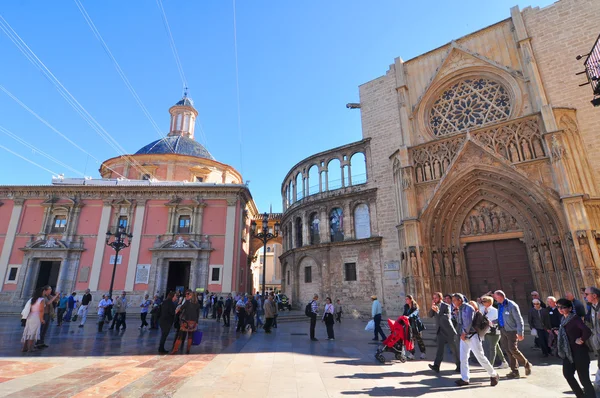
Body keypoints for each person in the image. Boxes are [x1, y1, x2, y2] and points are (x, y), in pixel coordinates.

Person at [453, 294, 499, 387]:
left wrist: (464, 333)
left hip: (472, 335)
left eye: (454, 300)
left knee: (480, 356)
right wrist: (456, 314)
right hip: (464, 336)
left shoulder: (468, 308)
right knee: (463, 358)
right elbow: (460, 322)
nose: (453, 302)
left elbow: (468, 322)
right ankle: (465, 378)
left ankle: (493, 374)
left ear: (460, 300)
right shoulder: (460, 309)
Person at [556, 298, 595, 398]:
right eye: (558, 307)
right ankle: (580, 396)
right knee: (568, 374)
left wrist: (581, 339)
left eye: (563, 307)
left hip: (579, 352)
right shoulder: (563, 319)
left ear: (569, 308)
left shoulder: (575, 319)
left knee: (584, 379)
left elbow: (587, 331)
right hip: (568, 353)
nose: (560, 309)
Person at [494, 290, 531, 379]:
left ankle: (527, 364)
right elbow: (501, 317)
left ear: (500, 296)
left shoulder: (512, 305)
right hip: (503, 330)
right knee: (507, 349)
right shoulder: (499, 305)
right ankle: (514, 371)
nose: (495, 299)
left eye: (495, 297)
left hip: (511, 331)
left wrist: (520, 332)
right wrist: (495, 321)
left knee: (513, 349)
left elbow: (519, 320)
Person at [428, 292, 460, 373]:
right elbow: (430, 315)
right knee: (440, 349)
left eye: (436, 298)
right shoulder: (434, 306)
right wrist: (432, 308)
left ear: (440, 298)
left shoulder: (446, 306)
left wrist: (438, 311)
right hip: (440, 330)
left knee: (454, 349)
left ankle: (459, 366)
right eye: (433, 298)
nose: (434, 299)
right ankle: (436, 366)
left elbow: (447, 317)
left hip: (448, 330)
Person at [481, 295, 509, 368]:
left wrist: (492, 322)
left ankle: (490, 365)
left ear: (489, 302)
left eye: (484, 301)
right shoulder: (482, 309)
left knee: (492, 347)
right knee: (496, 346)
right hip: (486, 331)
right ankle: (504, 362)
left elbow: (498, 320)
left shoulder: (495, 311)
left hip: (494, 331)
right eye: (482, 301)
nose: (483, 303)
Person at [170, 289, 201, 354]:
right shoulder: (197, 304)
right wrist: (197, 322)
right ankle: (188, 350)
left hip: (185, 321)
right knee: (190, 336)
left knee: (180, 336)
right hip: (193, 322)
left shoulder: (187, 302)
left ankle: (175, 349)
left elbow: (181, 308)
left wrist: (177, 311)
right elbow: (198, 314)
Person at [22, 287, 46, 352]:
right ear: (41, 292)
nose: (44, 293)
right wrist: (42, 319)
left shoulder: (32, 299)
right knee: (33, 332)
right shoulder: (41, 300)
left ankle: (24, 347)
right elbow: (41, 310)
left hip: (30, 316)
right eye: (44, 291)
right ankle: (30, 348)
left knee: (27, 331)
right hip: (36, 317)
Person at [403, 295, 426, 360]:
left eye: (407, 299)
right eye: (406, 299)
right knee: (411, 340)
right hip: (409, 325)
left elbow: (414, 313)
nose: (406, 300)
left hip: (416, 325)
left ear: (411, 299)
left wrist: (409, 316)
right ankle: (412, 354)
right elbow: (404, 314)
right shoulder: (406, 306)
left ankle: (423, 352)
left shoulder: (415, 306)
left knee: (419, 339)